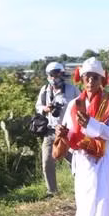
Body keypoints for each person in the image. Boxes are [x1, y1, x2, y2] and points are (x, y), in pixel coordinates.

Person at [55, 57, 109, 216]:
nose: (90, 81)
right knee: (85, 202)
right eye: (86, 77)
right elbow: (66, 130)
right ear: (81, 79)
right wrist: (60, 133)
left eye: (94, 77)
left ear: (102, 79)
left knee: (100, 201)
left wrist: (91, 124)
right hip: (82, 160)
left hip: (104, 159)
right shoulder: (74, 104)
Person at [35, 61, 79, 196]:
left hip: (68, 131)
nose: (54, 77)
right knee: (47, 161)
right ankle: (52, 191)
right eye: (51, 74)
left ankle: (80, 186)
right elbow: (38, 106)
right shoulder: (45, 90)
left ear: (62, 74)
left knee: (75, 161)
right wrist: (45, 109)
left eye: (56, 74)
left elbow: (82, 105)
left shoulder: (72, 89)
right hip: (50, 130)